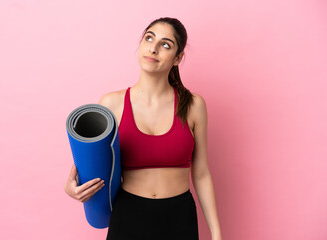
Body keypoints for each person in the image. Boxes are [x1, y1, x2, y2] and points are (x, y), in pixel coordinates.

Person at [64, 17, 222, 240]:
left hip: (179, 218)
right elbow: (91, 161)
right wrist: (72, 187)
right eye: (149, 38)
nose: (154, 48)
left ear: (178, 58)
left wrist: (216, 234)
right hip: (128, 216)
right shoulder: (112, 103)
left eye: (165, 44)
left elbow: (202, 173)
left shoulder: (194, 105)